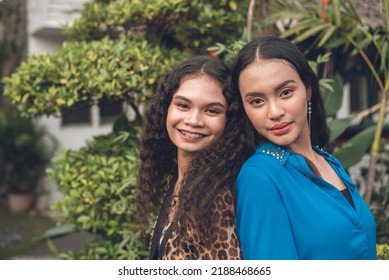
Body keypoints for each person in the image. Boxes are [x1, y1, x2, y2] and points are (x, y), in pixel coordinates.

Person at [230, 36, 377, 260]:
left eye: (285, 92)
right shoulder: (260, 177)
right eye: (257, 101)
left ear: (307, 89)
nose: (275, 112)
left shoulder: (328, 160)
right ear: (245, 109)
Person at [136, 55, 254, 260]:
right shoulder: (174, 177)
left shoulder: (218, 195)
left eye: (212, 110)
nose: (193, 120)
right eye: (183, 105)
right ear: (166, 108)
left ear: (230, 120)